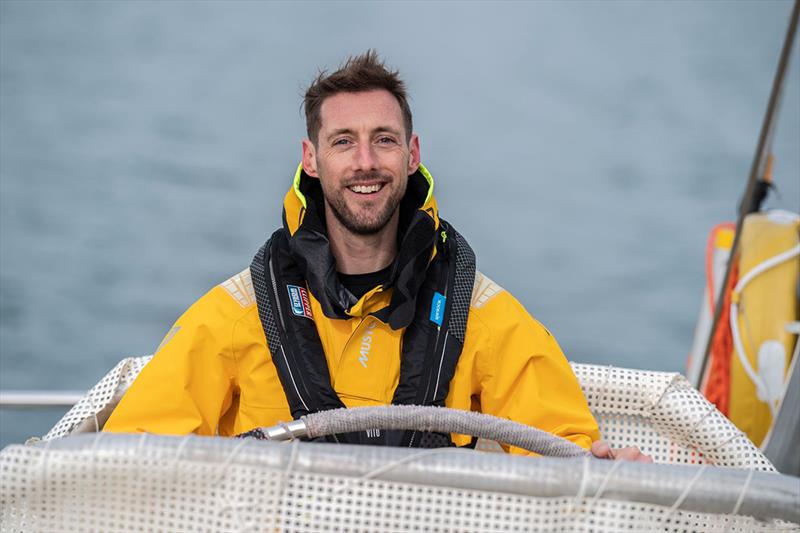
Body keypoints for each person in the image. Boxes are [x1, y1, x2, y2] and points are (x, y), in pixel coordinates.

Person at [104, 51, 650, 462]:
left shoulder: (483, 316)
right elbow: (127, 456)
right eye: (343, 141)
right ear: (311, 159)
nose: (365, 161)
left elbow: (567, 458)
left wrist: (603, 466)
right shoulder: (235, 316)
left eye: (384, 139)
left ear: (412, 155)